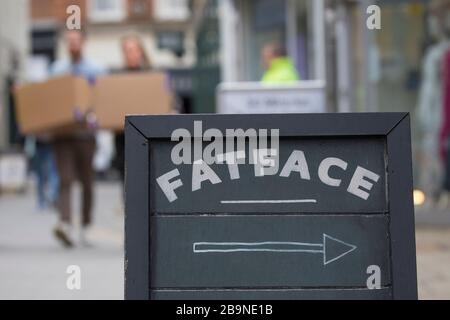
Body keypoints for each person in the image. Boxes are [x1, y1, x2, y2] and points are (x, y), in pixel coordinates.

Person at [50, 29, 106, 247]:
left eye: (76, 40)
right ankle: (64, 223)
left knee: (87, 181)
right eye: (69, 41)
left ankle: (86, 225)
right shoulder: (56, 70)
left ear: (84, 42)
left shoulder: (96, 70)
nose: (72, 44)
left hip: (86, 135)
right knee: (64, 179)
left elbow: (104, 99)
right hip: (62, 135)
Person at [113, 35, 151, 192]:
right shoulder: (116, 80)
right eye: (126, 51)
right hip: (123, 139)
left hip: (149, 137)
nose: (130, 54)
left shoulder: (153, 77)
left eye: (133, 50)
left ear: (141, 52)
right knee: (128, 182)